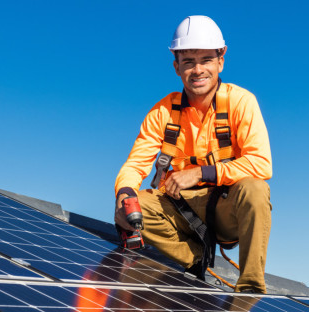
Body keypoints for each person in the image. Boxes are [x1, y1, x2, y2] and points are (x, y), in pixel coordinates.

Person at [114, 15, 272, 294]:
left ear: (221, 60)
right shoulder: (163, 112)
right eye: (188, 62)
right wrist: (124, 193)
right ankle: (195, 257)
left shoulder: (241, 102)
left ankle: (249, 288)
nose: (197, 70)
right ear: (176, 67)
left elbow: (260, 163)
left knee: (256, 189)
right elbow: (135, 165)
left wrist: (200, 173)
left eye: (206, 60)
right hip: (178, 211)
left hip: (225, 209)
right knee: (130, 207)